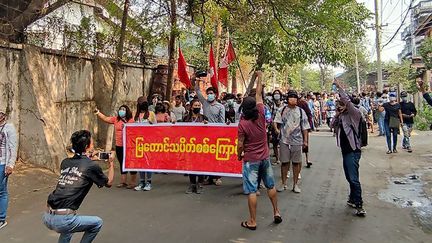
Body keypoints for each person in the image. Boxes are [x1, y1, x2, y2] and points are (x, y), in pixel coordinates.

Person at [43, 130, 115, 243]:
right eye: (92, 143)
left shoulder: (65, 162)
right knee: (97, 223)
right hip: (64, 220)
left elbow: (79, 165)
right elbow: (109, 183)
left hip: (47, 216)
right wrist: (111, 163)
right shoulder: (91, 166)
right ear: (87, 146)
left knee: (68, 230)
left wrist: (88, 158)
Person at [237, 71, 282, 230]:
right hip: (265, 158)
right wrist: (259, 76)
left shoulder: (242, 124)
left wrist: (238, 155)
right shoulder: (262, 113)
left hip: (251, 161)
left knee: (251, 191)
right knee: (270, 186)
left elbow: (240, 144)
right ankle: (276, 211)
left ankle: (253, 221)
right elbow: (258, 95)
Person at [330, 82, 366, 217]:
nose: (340, 107)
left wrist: (339, 88)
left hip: (353, 150)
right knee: (349, 176)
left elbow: (346, 100)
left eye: (342, 104)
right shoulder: (341, 117)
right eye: (338, 105)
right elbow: (331, 125)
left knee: (353, 177)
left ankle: (359, 205)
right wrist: (337, 115)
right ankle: (352, 198)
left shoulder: (354, 114)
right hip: (345, 151)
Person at [274, 90, 310, 193]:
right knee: (284, 163)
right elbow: (276, 122)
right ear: (287, 99)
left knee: (296, 163)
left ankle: (295, 185)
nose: (293, 99)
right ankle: (284, 183)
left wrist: (305, 141)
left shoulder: (301, 112)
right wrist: (277, 130)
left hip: (297, 140)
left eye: (295, 97)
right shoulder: (282, 110)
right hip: (284, 140)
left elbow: (305, 127)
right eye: (291, 97)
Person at [193, 74, 225, 186]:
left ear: (215, 95)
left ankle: (217, 177)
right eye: (208, 94)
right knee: (207, 156)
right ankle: (209, 177)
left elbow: (222, 121)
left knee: (216, 156)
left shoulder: (221, 107)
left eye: (212, 93)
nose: (210, 95)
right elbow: (197, 91)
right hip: (205, 134)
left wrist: (221, 133)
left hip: (216, 134)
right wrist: (197, 80)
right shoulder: (205, 103)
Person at [95, 105, 136, 188]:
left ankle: (132, 182)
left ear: (127, 111)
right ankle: (123, 181)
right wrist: (98, 113)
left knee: (131, 163)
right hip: (119, 145)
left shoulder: (131, 121)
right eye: (120, 110)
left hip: (129, 146)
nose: (121, 111)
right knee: (122, 163)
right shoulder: (116, 119)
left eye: (123, 110)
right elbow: (106, 118)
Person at [183, 99, 208, 194]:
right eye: (195, 105)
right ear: (191, 107)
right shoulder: (186, 118)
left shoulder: (204, 118)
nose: (197, 107)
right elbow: (181, 130)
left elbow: (210, 130)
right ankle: (192, 184)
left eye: (199, 105)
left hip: (201, 145)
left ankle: (199, 184)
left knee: (200, 164)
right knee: (191, 165)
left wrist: (207, 125)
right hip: (190, 145)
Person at [133, 98, 157, 191]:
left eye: (145, 103)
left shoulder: (151, 114)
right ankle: (142, 181)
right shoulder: (137, 115)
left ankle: (149, 182)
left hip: (149, 142)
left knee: (148, 162)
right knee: (141, 163)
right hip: (139, 142)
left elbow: (156, 127)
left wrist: (150, 123)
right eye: (142, 103)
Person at [0, 110, 17, 230]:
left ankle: (1, 219)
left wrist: (10, 164)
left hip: (2, 163)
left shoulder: (9, 128)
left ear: (3, 116)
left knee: (1, 191)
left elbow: (13, 147)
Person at [269, 90, 284, 164]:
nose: (276, 95)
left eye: (278, 94)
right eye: (275, 94)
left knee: (282, 143)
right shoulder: (271, 104)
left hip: (282, 125)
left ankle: (284, 158)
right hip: (273, 125)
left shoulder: (284, 104)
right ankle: (277, 159)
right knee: (275, 142)